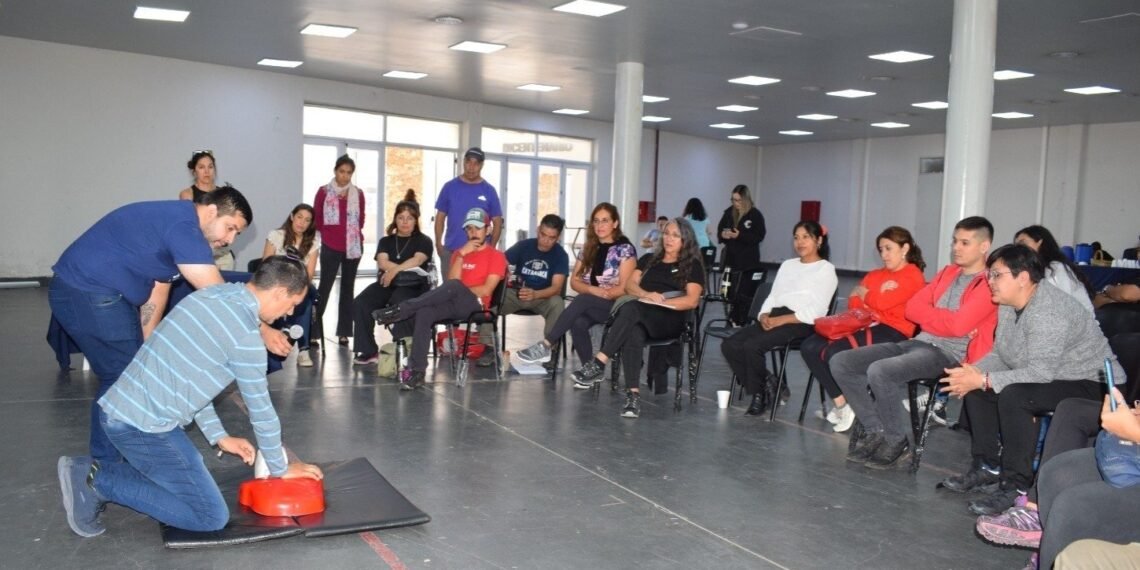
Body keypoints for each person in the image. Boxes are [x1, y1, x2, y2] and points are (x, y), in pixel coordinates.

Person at [56, 257, 324, 538]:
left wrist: (219, 436)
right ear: (279, 292)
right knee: (209, 516)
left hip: (121, 410)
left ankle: (102, 472)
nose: (289, 313)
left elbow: (194, 380)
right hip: (141, 427)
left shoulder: (213, 295)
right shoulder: (245, 336)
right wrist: (280, 468)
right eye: (292, 304)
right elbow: (261, 411)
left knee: (185, 478)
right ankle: (95, 479)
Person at [48, 187, 290, 464]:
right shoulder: (184, 227)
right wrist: (263, 329)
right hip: (87, 290)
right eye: (230, 228)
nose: (230, 239)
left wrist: (148, 343)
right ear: (212, 211)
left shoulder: (177, 224)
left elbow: (159, 286)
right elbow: (220, 298)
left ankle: (115, 461)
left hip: (90, 291)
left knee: (132, 371)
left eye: (237, 234)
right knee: (122, 379)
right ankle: (106, 467)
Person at [938, 244, 1124, 515]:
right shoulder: (1009, 303)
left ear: (1023, 278)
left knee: (1016, 396)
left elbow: (1039, 373)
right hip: (1057, 375)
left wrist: (984, 379)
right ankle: (987, 466)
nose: (990, 281)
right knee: (978, 387)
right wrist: (973, 372)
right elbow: (1001, 354)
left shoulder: (1049, 310)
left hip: (1096, 384)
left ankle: (1016, 485)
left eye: (997, 275)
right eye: (990, 275)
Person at [832, 216, 998, 470]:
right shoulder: (947, 273)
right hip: (916, 343)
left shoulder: (988, 283)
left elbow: (957, 327)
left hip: (946, 354)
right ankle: (876, 430)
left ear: (984, 246)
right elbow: (912, 309)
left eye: (964, 243)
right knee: (842, 362)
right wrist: (945, 318)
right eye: (955, 241)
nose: (956, 248)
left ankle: (896, 441)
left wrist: (934, 317)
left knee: (881, 370)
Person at [568, 218, 704, 418]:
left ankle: (599, 363)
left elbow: (692, 300)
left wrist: (660, 302)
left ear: (686, 240)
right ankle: (633, 396)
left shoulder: (692, 265)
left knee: (632, 308)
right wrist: (646, 295)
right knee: (633, 329)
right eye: (667, 234)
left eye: (676, 236)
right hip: (643, 313)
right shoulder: (649, 259)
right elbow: (630, 285)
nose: (669, 239)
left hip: (671, 319)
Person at [800, 226, 927, 433]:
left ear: (904, 248)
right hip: (866, 324)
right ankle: (842, 403)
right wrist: (873, 296)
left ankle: (855, 403)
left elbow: (880, 302)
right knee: (810, 346)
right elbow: (854, 303)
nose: (883, 255)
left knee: (835, 352)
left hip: (894, 331)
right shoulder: (876, 274)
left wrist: (867, 295)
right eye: (881, 249)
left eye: (888, 248)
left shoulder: (913, 275)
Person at [374, 207, 507, 390]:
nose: (473, 233)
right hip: (453, 302)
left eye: (478, 228)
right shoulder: (459, 253)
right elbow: (449, 285)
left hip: (477, 306)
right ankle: (417, 372)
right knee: (425, 312)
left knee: (455, 286)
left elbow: (486, 290)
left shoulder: (496, 256)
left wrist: (460, 289)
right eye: (469, 228)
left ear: (488, 230)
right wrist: (461, 255)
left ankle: (401, 310)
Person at [721, 221, 837, 417]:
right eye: (796, 238)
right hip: (775, 316)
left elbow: (816, 312)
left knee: (752, 346)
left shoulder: (825, 269)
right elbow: (773, 296)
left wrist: (781, 320)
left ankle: (759, 395)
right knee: (730, 345)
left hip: (801, 323)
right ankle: (770, 383)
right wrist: (763, 314)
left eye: (806, 237)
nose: (800, 242)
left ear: (819, 240)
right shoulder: (788, 265)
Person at [516, 203, 638, 378]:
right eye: (596, 221)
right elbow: (574, 282)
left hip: (618, 307)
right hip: (595, 304)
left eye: (605, 221)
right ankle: (590, 370)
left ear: (615, 223)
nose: (600, 225)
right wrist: (593, 290)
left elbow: (625, 288)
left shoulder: (625, 250)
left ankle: (547, 344)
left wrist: (600, 293)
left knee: (582, 299)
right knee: (578, 321)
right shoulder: (588, 248)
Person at [351, 191, 433, 365]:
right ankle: (368, 351)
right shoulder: (386, 241)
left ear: (415, 221)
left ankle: (402, 349)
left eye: (409, 218)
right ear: (395, 219)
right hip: (387, 283)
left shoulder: (424, 240)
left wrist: (394, 271)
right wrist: (394, 271)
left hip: (413, 286)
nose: (405, 222)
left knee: (400, 302)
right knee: (361, 303)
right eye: (401, 218)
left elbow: (417, 260)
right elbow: (382, 262)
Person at [479, 214, 569, 366]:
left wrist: (536, 294)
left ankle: (550, 348)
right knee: (491, 295)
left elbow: (556, 288)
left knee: (558, 303)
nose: (546, 240)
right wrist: (504, 272)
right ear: (538, 230)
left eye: (551, 238)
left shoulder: (561, 255)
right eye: (543, 235)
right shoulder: (524, 246)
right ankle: (489, 347)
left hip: (543, 297)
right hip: (516, 293)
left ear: (558, 238)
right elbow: (500, 262)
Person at [314, 154, 366, 347]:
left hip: (353, 246)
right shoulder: (323, 192)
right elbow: (317, 218)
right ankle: (314, 332)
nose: (345, 176)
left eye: (349, 173)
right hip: (330, 245)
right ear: (335, 171)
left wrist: (351, 236)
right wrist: (328, 235)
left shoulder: (358, 194)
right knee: (325, 287)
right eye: (342, 171)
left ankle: (344, 332)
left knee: (347, 289)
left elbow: (361, 220)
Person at [262, 203, 322, 366]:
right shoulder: (276, 235)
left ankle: (303, 350)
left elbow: (309, 275)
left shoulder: (313, 242)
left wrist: (297, 287)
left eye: (307, 220)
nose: (302, 223)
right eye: (299, 217)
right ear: (291, 217)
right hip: (276, 284)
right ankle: (282, 334)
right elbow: (266, 265)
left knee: (305, 299)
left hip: (301, 285)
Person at [434, 147, 503, 271]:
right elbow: (440, 217)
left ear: (481, 165)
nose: (471, 167)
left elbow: (497, 222)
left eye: (476, 163)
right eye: (468, 162)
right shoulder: (449, 187)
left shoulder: (489, 191)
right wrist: (438, 243)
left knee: (477, 285)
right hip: (452, 251)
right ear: (463, 162)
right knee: (451, 284)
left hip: (479, 253)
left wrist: (492, 248)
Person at [716, 184, 767, 325]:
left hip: (748, 262)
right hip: (731, 261)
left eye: (738, 200)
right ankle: (732, 319)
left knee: (744, 295)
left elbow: (759, 236)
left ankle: (741, 321)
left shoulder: (755, 215)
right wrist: (723, 235)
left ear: (745, 199)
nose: (735, 203)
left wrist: (740, 235)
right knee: (729, 294)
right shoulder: (728, 213)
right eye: (733, 200)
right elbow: (720, 230)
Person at [1013, 225, 1094, 312]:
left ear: (1039, 242)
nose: (1018, 249)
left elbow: (1062, 303)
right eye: (1016, 245)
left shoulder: (1056, 268)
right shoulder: (1030, 270)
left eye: (1023, 243)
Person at [177, 150, 234, 270]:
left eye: (210, 167)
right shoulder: (187, 194)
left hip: (222, 253)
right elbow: (190, 226)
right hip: (198, 252)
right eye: (201, 167)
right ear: (194, 172)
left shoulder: (224, 194)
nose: (207, 171)